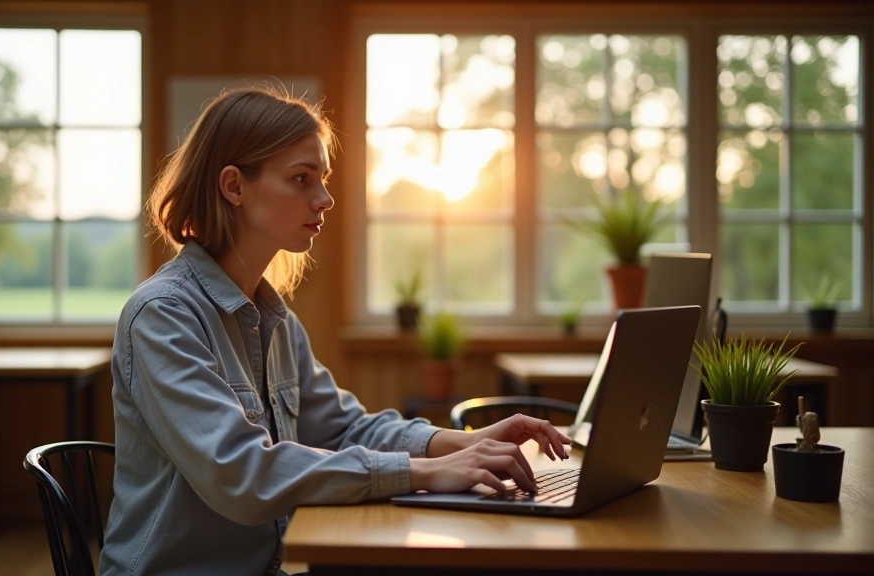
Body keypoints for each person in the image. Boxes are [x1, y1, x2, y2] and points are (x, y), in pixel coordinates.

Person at [99, 85, 572, 576]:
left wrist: (460, 444)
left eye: (321, 179)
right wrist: (426, 472)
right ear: (234, 187)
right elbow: (241, 475)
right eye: (301, 179)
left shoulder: (274, 318)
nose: (324, 199)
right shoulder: (162, 316)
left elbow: (344, 428)